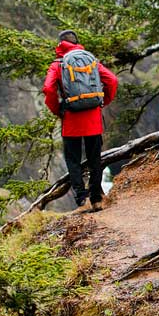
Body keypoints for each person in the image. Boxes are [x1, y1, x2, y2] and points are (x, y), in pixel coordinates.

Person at [42, 29, 119, 211]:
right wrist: (103, 102)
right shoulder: (91, 61)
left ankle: (80, 197)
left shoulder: (58, 65)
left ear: (60, 45)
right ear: (76, 42)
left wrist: (58, 110)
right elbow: (113, 80)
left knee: (73, 159)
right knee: (95, 160)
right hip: (93, 118)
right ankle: (96, 199)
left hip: (71, 119)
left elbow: (48, 89)